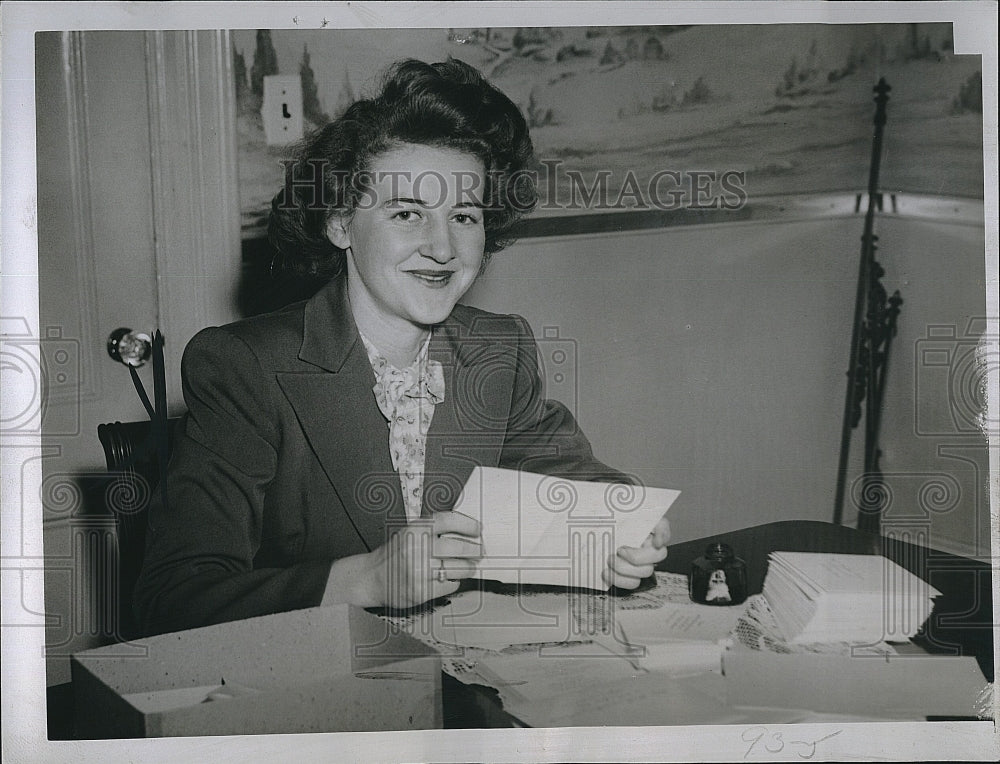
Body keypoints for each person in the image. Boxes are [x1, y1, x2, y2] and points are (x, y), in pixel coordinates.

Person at [134, 59, 670, 637]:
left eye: (463, 215)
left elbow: (564, 477)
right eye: (408, 213)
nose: (443, 247)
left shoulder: (499, 347)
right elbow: (173, 599)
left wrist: (618, 519)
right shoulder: (245, 367)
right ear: (340, 223)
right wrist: (363, 579)